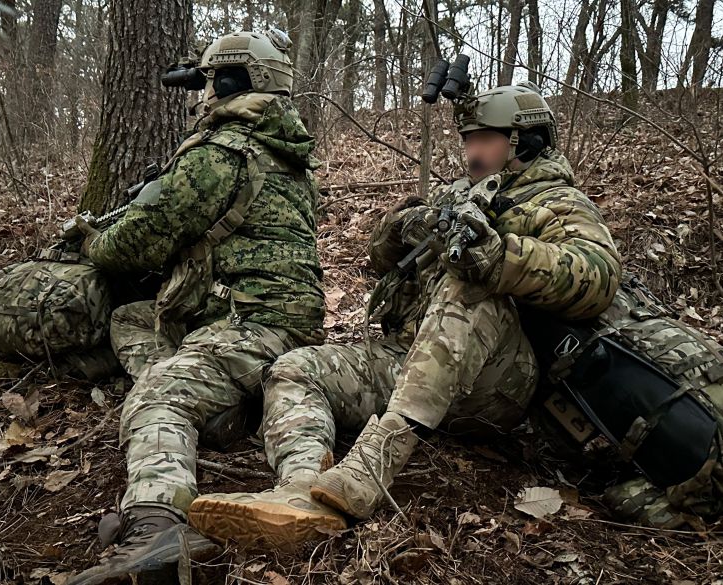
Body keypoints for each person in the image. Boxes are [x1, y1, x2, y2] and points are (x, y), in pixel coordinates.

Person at [187, 82, 623, 548]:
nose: (471, 151)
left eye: (484, 139)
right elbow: (382, 260)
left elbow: (598, 276)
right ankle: (299, 492)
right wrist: (400, 228)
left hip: (496, 381)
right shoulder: (459, 194)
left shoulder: (557, 202)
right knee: (296, 369)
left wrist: (499, 258)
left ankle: (373, 464)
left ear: (525, 141)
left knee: (470, 280)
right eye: (467, 139)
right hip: (413, 359)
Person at [69, 29, 331, 584]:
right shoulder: (290, 160)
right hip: (288, 331)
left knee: (158, 392)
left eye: (210, 81)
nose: (200, 95)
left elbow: (131, 244)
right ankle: (222, 410)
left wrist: (89, 240)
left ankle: (157, 523)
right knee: (133, 319)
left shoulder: (219, 153)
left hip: (250, 326)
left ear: (234, 82)